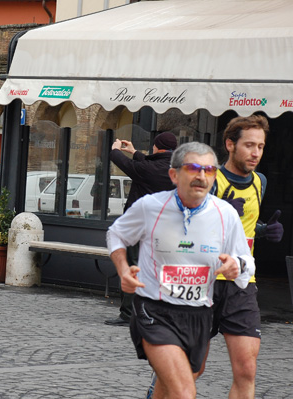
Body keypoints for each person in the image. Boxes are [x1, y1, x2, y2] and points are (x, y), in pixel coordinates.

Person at [107, 142, 254, 399]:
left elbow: (246, 261)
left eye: (209, 170)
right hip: (154, 311)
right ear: (174, 175)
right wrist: (123, 270)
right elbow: (116, 234)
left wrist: (236, 265)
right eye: (193, 168)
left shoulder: (225, 214)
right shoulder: (151, 206)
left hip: (199, 316)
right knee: (184, 391)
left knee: (167, 389)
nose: (201, 176)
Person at [197, 115, 283, 398]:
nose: (256, 153)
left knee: (247, 368)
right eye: (249, 145)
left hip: (243, 283)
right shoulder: (209, 180)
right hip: (202, 283)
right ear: (230, 145)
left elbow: (244, 225)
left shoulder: (260, 182)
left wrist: (263, 231)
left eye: (260, 146)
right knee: (191, 367)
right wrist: (217, 212)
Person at [104, 131, 177, 326]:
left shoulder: (149, 169)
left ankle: (129, 313)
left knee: (133, 266)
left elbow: (128, 165)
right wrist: (135, 151)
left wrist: (115, 150)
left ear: (156, 146)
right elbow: (150, 164)